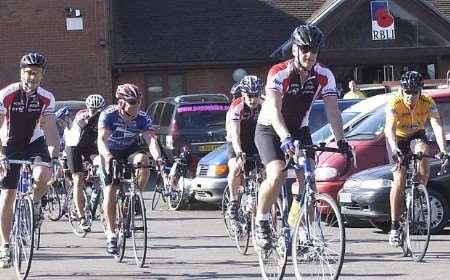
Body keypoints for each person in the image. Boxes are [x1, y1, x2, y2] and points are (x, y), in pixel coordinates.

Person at [253, 25, 350, 250]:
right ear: (295, 50)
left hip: (299, 128)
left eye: (314, 50)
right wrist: (285, 138)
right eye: (305, 49)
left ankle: (298, 226)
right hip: (270, 128)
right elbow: (275, 111)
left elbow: (333, 111)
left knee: (308, 183)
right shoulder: (280, 72)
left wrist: (341, 140)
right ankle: (262, 220)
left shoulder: (324, 75)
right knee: (277, 174)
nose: (309, 55)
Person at [0, 52, 60, 268]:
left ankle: (34, 203)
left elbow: (51, 130)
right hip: (9, 144)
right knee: (8, 195)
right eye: (28, 73)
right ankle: (5, 247)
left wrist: (54, 156)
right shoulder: (7, 94)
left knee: (43, 174)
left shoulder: (47, 97)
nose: (32, 77)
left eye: (36, 74)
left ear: (42, 76)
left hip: (34, 141)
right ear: (21, 73)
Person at [385, 71, 449, 247]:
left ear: (420, 91)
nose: (411, 96)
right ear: (402, 91)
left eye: (414, 92)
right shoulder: (395, 103)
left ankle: (417, 192)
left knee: (423, 152)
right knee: (399, 178)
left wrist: (443, 150)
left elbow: (436, 125)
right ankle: (395, 226)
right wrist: (395, 148)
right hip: (397, 137)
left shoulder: (428, 102)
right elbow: (389, 128)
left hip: (416, 135)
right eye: (407, 92)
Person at [98, 83, 161, 255]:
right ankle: (111, 234)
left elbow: (151, 140)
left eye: (139, 101)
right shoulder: (108, 115)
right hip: (110, 151)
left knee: (143, 160)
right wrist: (108, 157)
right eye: (133, 101)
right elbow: (101, 139)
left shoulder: (142, 117)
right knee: (110, 190)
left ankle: (134, 197)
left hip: (129, 150)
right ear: (121, 103)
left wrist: (158, 158)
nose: (137, 105)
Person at [64, 94, 105, 231]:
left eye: (98, 108)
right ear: (87, 107)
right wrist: (95, 114)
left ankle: (99, 192)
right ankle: (81, 217)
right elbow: (84, 125)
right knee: (78, 178)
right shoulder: (81, 114)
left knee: (102, 163)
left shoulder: (103, 117)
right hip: (73, 146)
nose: (95, 110)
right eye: (92, 108)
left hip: (88, 146)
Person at [226, 75, 263, 224]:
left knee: (263, 171)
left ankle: (257, 205)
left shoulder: (265, 104)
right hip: (236, 140)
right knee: (235, 167)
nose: (253, 99)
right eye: (249, 96)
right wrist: (240, 153)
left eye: (256, 95)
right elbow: (235, 135)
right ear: (243, 94)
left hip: (255, 140)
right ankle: (234, 203)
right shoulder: (237, 107)